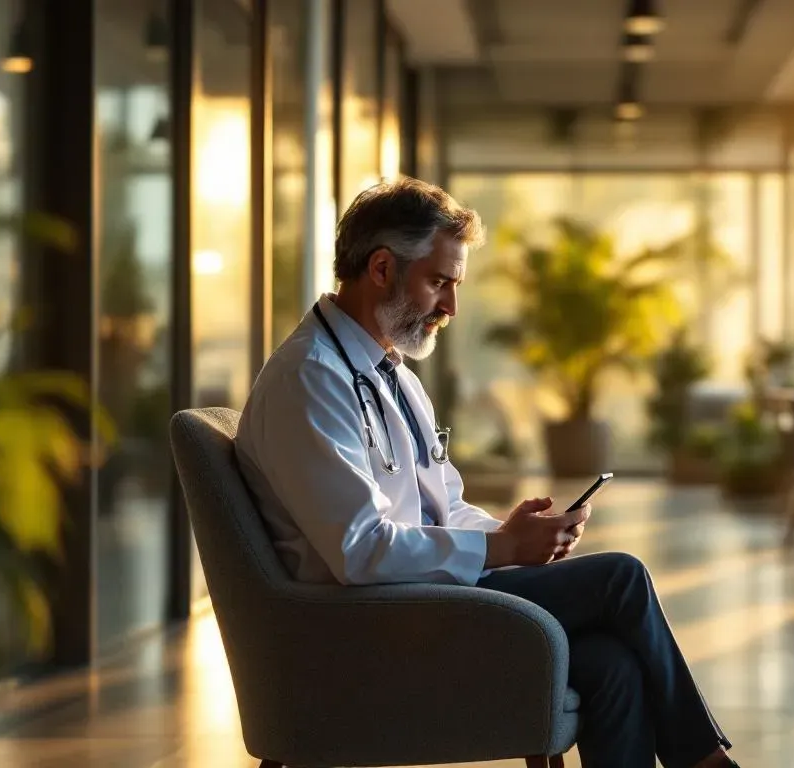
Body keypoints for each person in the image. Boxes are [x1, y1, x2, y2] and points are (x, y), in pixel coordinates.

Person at [234, 178, 736, 768]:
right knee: (620, 579)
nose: (450, 307)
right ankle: (704, 760)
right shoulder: (311, 378)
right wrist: (496, 548)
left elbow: (441, 505)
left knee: (612, 665)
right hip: (371, 625)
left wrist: (508, 533)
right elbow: (358, 551)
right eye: (439, 283)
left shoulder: (390, 374)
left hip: (421, 598)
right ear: (380, 269)